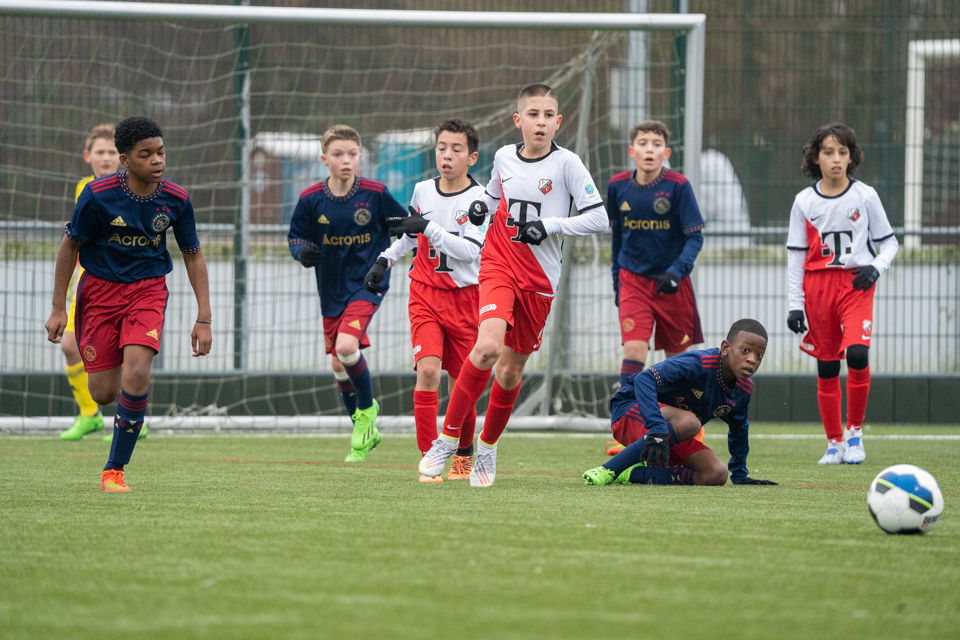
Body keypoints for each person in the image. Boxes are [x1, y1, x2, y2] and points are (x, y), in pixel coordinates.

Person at [418, 83, 609, 487]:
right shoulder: (504, 156)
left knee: (508, 372)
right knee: (487, 347)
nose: (541, 122)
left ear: (558, 122)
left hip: (539, 279)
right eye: (533, 114)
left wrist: (551, 225)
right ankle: (447, 440)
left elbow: (598, 218)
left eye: (548, 115)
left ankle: (487, 448)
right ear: (518, 120)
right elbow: (491, 196)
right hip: (499, 262)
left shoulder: (568, 164)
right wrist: (479, 207)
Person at [44, 116, 212, 492]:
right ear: (125, 160)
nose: (158, 160)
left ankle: (114, 471)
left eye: (161, 152)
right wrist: (59, 308)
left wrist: (205, 317)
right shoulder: (98, 195)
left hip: (147, 290)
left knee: (137, 371)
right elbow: (69, 246)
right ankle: (117, 386)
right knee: (103, 393)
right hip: (99, 293)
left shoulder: (177, 199)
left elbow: (193, 254)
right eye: (146, 154)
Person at [365, 118, 486, 483]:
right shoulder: (422, 190)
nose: (447, 156)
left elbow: (468, 251)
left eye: (456, 149)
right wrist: (384, 260)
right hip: (426, 294)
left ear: (472, 157)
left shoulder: (480, 200)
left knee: (461, 383)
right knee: (428, 370)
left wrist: (427, 228)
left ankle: (464, 452)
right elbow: (410, 236)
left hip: (467, 299)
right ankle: (428, 457)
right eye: (441, 148)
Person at [287, 124, 407, 463]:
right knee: (339, 365)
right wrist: (301, 252)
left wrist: (397, 240)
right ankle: (364, 430)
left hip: (368, 284)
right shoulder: (311, 199)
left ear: (359, 157)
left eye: (352, 154)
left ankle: (366, 413)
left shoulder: (375, 193)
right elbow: (295, 237)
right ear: (325, 158)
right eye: (338, 154)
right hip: (331, 289)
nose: (346, 160)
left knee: (345, 346)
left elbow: (403, 225)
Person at [786, 123, 898, 465]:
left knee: (858, 355)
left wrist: (876, 267)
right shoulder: (804, 202)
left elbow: (890, 243)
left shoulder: (865, 196)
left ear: (852, 158)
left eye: (843, 152)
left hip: (855, 286)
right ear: (815, 158)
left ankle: (855, 435)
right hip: (817, 288)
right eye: (829, 152)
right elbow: (795, 255)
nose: (836, 159)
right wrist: (795, 304)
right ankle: (834, 443)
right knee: (827, 366)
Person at [606, 120, 705, 455]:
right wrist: (617, 281)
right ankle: (625, 428)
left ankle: (684, 427)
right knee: (634, 351)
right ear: (632, 151)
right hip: (633, 281)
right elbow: (617, 240)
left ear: (667, 152)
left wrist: (677, 271)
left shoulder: (678, 186)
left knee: (676, 361)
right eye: (643, 143)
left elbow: (695, 237)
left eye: (656, 143)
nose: (650, 149)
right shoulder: (618, 187)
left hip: (672, 285)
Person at [583, 319, 776, 486]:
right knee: (691, 423)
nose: (752, 359)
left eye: (759, 355)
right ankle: (609, 469)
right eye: (745, 350)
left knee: (716, 473)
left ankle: (632, 473)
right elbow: (644, 379)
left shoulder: (743, 390)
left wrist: (740, 475)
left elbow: (739, 429)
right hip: (629, 412)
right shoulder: (699, 363)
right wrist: (657, 427)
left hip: (669, 433)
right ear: (726, 348)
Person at [58, 124, 125, 441]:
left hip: (122, 280)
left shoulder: (134, 188)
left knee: (126, 351)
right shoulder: (86, 187)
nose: (106, 157)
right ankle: (89, 415)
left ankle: (131, 417)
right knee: (70, 345)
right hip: (87, 279)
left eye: (112, 152)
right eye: (100, 152)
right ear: (88, 156)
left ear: (122, 157)